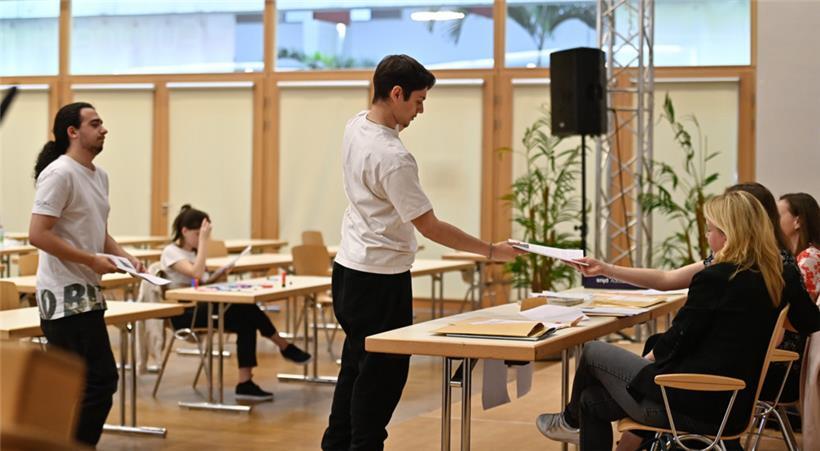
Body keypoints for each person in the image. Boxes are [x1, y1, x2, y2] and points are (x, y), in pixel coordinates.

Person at [321, 54, 523, 451]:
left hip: (349, 271)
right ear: (395, 94)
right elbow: (429, 225)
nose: (421, 110)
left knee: (356, 367)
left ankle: (336, 444)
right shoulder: (393, 158)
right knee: (381, 377)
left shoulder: (355, 126)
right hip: (378, 281)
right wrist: (490, 250)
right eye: (417, 101)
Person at [536, 190, 797, 449]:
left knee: (592, 351)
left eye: (709, 230)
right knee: (590, 400)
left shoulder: (716, 278)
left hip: (694, 403)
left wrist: (641, 365)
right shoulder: (775, 274)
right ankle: (574, 420)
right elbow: (806, 322)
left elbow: (676, 340)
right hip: (733, 404)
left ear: (727, 235)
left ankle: (570, 422)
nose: (707, 237)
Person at [29, 102, 143, 446]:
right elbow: (38, 234)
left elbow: (99, 231)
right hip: (64, 297)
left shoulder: (99, 174)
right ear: (73, 132)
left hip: (87, 293)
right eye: (95, 124)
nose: (103, 129)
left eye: (102, 123)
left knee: (83, 384)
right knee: (99, 382)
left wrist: (124, 257)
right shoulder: (59, 173)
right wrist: (92, 260)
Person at [161, 205, 311, 401]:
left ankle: (245, 383)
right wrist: (205, 244)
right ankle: (283, 345)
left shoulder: (196, 251)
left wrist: (218, 275)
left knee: (246, 321)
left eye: (203, 235)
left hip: (201, 307)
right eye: (197, 234)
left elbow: (199, 282)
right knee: (245, 308)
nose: (200, 239)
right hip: (183, 314)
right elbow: (196, 274)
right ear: (184, 231)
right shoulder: (171, 251)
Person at [777, 192, 820, 446]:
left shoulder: (808, 258)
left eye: (779, 214)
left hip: (790, 356)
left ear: (797, 221)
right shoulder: (803, 257)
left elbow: (799, 316)